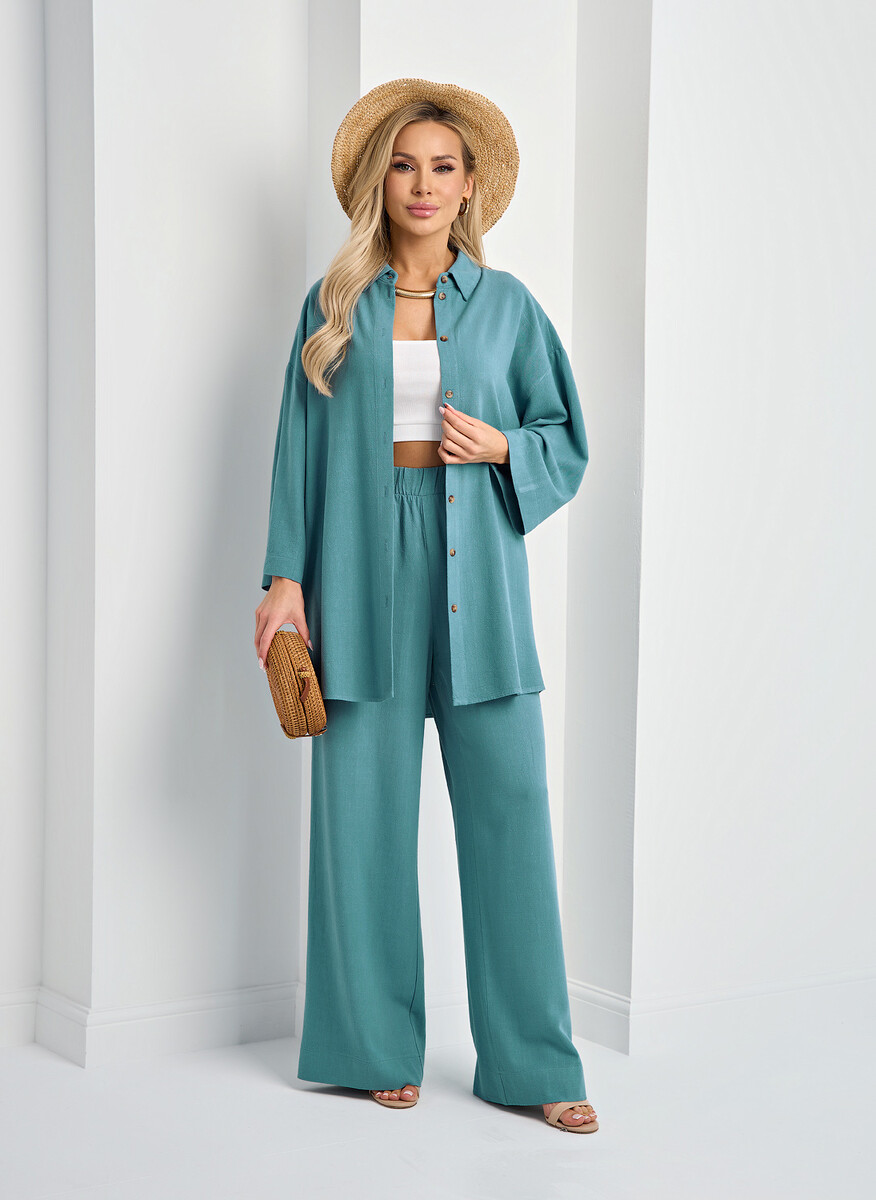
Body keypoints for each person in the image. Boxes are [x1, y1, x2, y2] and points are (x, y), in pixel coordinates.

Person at [253, 77, 598, 1134]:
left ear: (471, 185)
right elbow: (298, 449)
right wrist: (283, 579)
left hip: (478, 573)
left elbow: (566, 438)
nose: (423, 183)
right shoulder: (333, 305)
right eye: (405, 164)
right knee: (360, 820)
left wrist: (503, 447)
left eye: (443, 166)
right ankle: (369, 1048)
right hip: (361, 572)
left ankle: (535, 1064)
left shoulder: (510, 307)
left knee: (512, 816)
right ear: (380, 180)